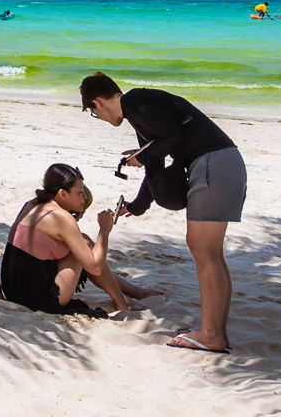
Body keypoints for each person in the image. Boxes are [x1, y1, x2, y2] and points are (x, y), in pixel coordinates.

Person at [81, 73, 246, 353]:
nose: (102, 119)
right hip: (223, 162)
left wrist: (143, 155)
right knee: (212, 253)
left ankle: (210, 334)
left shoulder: (134, 101)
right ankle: (217, 332)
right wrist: (137, 205)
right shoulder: (141, 114)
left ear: (97, 103)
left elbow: (172, 137)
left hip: (212, 164)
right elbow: (156, 160)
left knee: (203, 250)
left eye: (95, 113)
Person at [0, 164, 157, 317]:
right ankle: (122, 301)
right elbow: (94, 268)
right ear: (62, 194)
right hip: (38, 298)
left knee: (83, 241)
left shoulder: (33, 204)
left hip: (13, 288)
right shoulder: (61, 217)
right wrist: (104, 231)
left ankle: (133, 293)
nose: (85, 197)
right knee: (86, 248)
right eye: (80, 192)